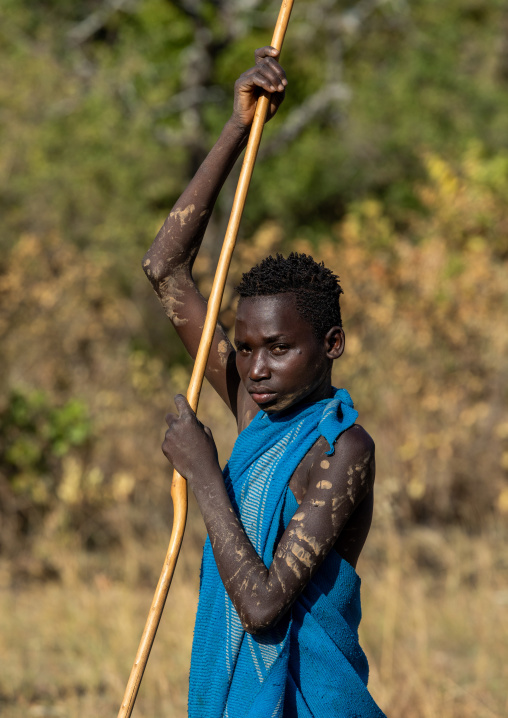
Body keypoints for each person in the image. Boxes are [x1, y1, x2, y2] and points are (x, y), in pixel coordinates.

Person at [143, 46, 385, 718]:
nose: (254, 368)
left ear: (330, 345)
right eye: (245, 348)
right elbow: (165, 266)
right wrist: (236, 129)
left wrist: (205, 475)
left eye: (279, 349)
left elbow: (262, 605)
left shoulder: (343, 452)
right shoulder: (257, 409)